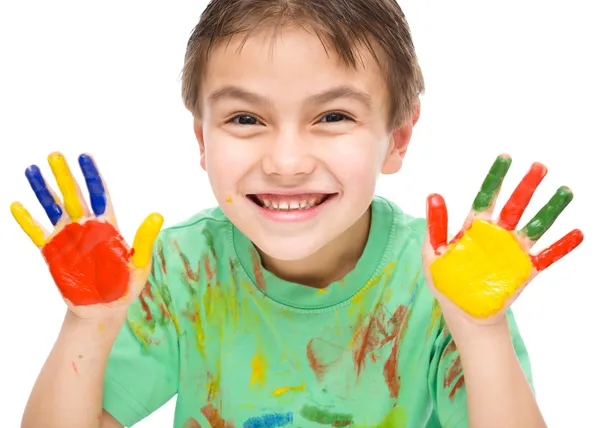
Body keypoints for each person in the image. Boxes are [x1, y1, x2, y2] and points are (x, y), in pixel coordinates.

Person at [14, 0, 583, 427]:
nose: (286, 162)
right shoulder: (182, 269)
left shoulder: (443, 281)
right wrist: (86, 325)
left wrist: (481, 333)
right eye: (245, 119)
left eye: (333, 117)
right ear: (202, 139)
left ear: (397, 137)